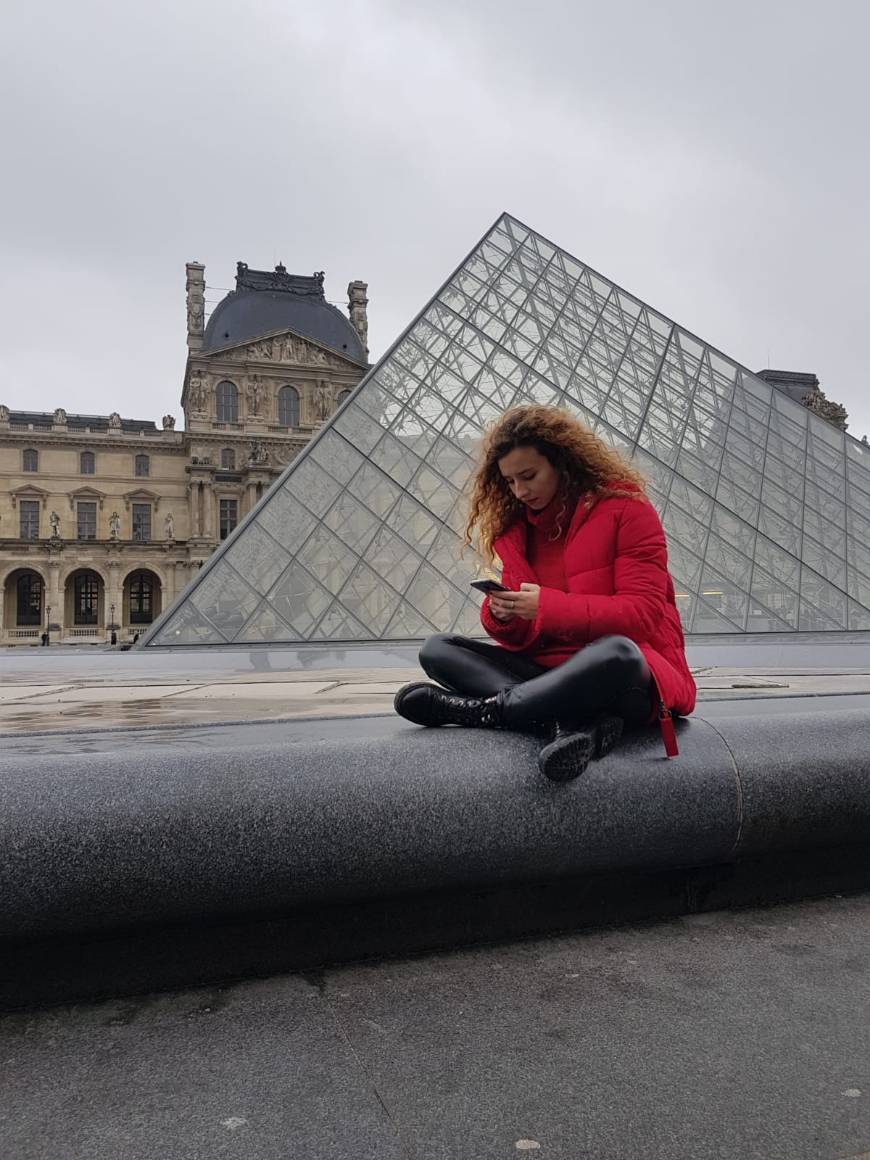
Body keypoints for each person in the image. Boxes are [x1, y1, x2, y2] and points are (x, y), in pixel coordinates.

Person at [394, 405, 696, 782]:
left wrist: (545, 607)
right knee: (438, 649)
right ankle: (560, 720)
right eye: (509, 482)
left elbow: (643, 614)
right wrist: (502, 615)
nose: (519, 491)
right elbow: (521, 631)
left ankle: (487, 711)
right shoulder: (517, 530)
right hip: (546, 670)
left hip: (617, 674)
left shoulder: (626, 510)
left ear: (562, 461)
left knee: (618, 653)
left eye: (529, 476)